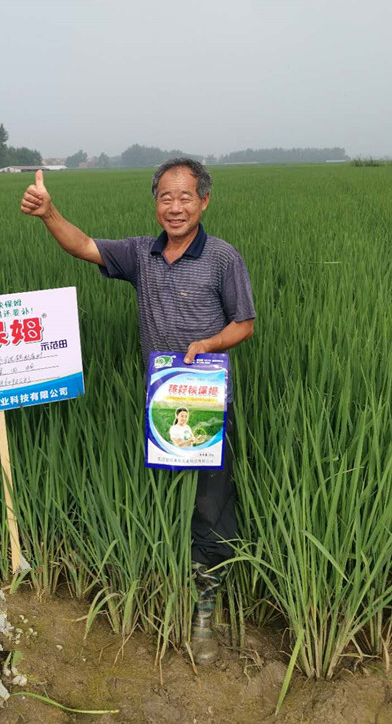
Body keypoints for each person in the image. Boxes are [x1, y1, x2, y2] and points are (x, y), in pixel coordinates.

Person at [20, 158, 255, 664]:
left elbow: (244, 324)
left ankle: (205, 605)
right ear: (156, 203)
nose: (175, 206)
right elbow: (83, 245)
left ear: (204, 201)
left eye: (185, 196)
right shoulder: (140, 255)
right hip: (160, 404)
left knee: (210, 505)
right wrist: (49, 213)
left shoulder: (222, 257)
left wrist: (208, 343)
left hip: (208, 404)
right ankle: (161, 583)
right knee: (161, 495)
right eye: (166, 197)